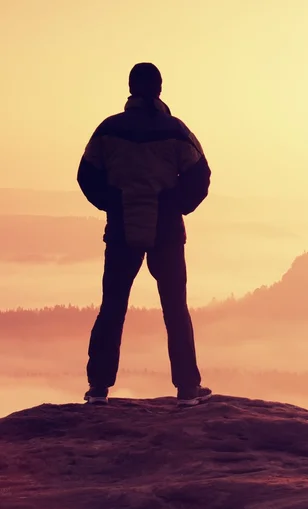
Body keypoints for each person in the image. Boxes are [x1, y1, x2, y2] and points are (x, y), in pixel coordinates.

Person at [77, 62, 212, 406]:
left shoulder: (108, 130)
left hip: (122, 230)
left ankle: (98, 389)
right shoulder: (175, 130)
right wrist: (175, 205)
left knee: (113, 306)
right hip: (166, 232)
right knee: (175, 308)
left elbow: (86, 176)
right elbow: (201, 175)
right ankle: (186, 388)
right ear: (159, 90)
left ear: (131, 88)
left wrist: (113, 202)